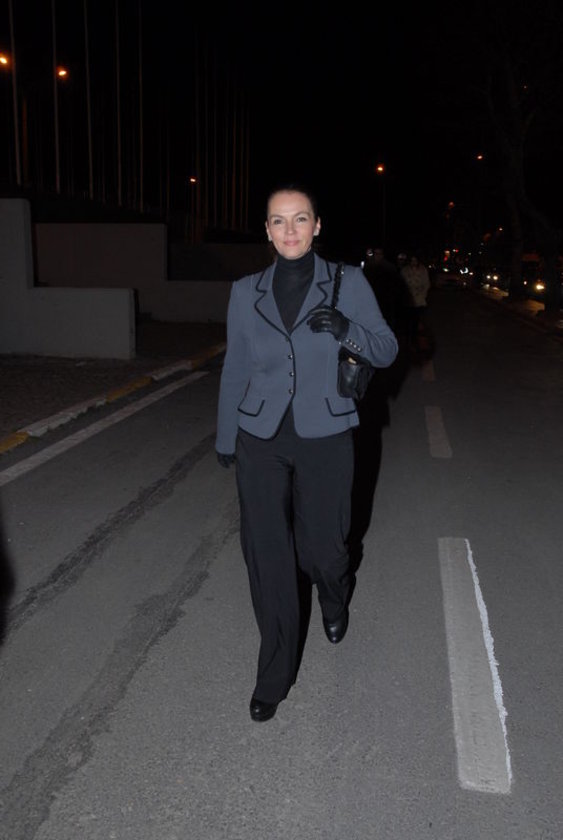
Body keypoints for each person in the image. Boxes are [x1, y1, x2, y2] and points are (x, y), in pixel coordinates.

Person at [215, 184, 398, 722]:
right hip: (261, 437)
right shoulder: (245, 291)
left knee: (324, 550)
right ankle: (273, 675)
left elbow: (386, 348)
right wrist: (226, 436)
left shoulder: (348, 282)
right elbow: (235, 367)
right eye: (279, 220)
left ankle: (334, 594)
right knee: (266, 555)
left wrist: (346, 328)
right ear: (267, 230)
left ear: (317, 226)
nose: (290, 229)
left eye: (300, 219)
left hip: (326, 433)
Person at [362, 246, 409, 332]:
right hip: (371, 300)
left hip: (387, 301)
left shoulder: (389, 268)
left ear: (383, 255)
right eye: (376, 254)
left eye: (380, 254)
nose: (378, 256)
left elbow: (396, 285)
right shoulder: (368, 267)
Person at [401, 254, 431, 349]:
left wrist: (422, 295)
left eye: (415, 260)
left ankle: (414, 340)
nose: (413, 263)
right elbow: (401, 284)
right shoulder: (405, 270)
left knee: (416, 321)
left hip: (419, 300)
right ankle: (407, 340)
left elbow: (426, 284)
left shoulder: (423, 270)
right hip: (408, 300)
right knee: (407, 321)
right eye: (412, 261)